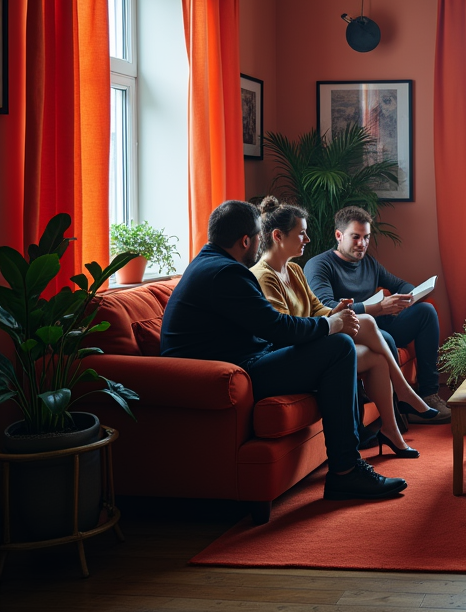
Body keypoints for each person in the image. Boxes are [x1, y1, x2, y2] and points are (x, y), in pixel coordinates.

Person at [160, 200, 407, 500]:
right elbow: (276, 326)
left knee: (338, 347)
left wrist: (330, 321)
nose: (260, 244)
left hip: (242, 363)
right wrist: (332, 326)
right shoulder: (226, 274)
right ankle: (346, 470)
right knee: (339, 347)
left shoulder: (210, 265)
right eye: (258, 236)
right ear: (246, 241)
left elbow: (272, 325)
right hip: (234, 372)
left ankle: (348, 463)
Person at [250, 197, 438, 458]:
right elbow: (283, 330)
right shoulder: (263, 275)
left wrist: (337, 312)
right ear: (279, 236)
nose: (307, 240)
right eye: (302, 234)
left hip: (314, 339)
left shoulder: (293, 270)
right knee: (367, 328)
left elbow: (319, 308)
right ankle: (404, 391)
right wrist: (331, 321)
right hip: (295, 352)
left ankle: (392, 430)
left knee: (377, 357)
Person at [305, 206, 450, 423]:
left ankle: (428, 394)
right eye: (356, 237)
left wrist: (409, 297)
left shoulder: (369, 263)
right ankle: (396, 410)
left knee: (426, 311)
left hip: (379, 322)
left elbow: (399, 283)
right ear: (339, 235)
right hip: (351, 330)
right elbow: (327, 308)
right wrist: (378, 307)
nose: (362, 244)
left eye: (366, 237)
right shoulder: (320, 265)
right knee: (387, 338)